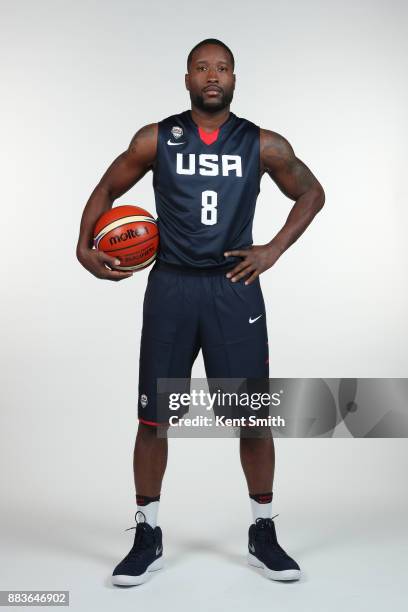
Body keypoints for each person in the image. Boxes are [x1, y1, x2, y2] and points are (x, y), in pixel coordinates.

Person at [76, 38, 325, 586]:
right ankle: (147, 534)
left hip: (232, 289)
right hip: (171, 289)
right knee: (154, 418)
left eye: (223, 68)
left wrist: (273, 249)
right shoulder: (155, 138)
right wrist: (82, 244)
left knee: (253, 419)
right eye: (202, 67)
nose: (212, 75)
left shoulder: (262, 143)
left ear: (235, 78)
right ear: (187, 77)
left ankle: (263, 532)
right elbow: (109, 185)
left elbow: (311, 192)